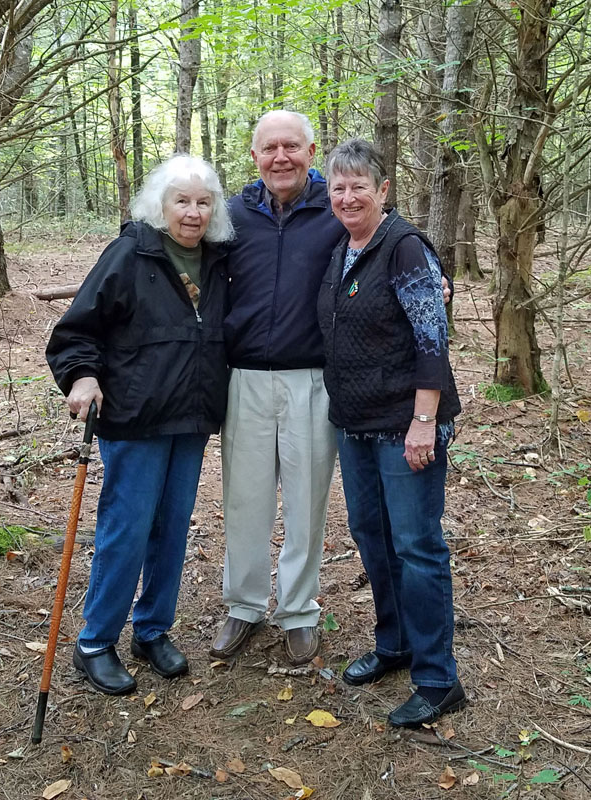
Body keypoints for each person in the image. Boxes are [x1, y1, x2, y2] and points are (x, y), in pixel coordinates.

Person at [46, 155, 233, 694]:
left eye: (203, 202)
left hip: (191, 416)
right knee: (126, 532)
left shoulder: (220, 260)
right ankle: (95, 642)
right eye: (182, 201)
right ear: (161, 205)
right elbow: (76, 329)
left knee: (172, 529)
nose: (193, 213)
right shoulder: (131, 253)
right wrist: (81, 376)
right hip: (134, 417)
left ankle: (151, 630)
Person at [317, 138, 465, 727]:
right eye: (338, 187)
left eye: (360, 186)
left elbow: (433, 341)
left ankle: (437, 677)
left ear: (383, 190)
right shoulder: (344, 248)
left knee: (416, 547)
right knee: (372, 537)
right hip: (355, 424)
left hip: (406, 429)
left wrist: (424, 422)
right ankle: (394, 643)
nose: (348, 197)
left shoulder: (403, 248)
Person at [209, 111, 348, 666]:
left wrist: (433, 273)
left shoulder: (335, 210)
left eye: (292, 146)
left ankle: (297, 610)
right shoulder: (232, 215)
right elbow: (177, 243)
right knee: (245, 498)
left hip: (312, 378)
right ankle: (242, 605)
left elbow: (386, 243)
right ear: (254, 157)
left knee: (307, 498)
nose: (281, 157)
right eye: (270, 148)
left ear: (312, 151)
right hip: (244, 378)